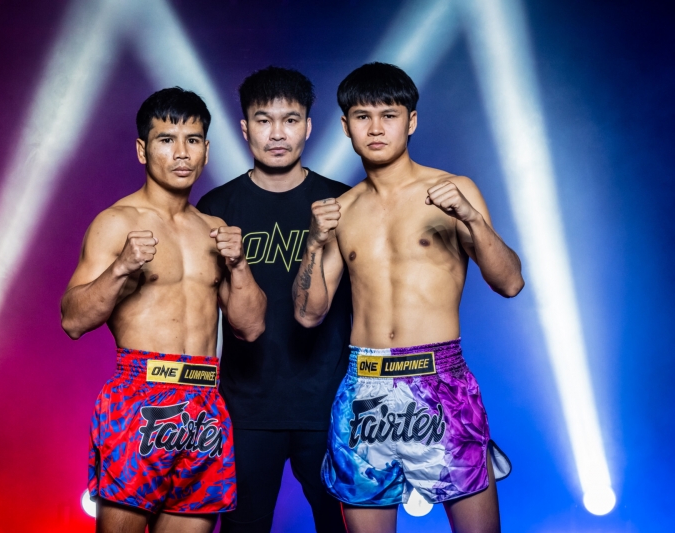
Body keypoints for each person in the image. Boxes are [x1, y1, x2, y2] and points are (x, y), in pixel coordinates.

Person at [292, 62, 524, 533]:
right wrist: (313, 243)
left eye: (389, 115)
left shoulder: (453, 190)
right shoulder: (343, 209)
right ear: (346, 126)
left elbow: (510, 283)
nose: (376, 128)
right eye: (363, 116)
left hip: (440, 383)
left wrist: (471, 219)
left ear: (411, 121)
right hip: (366, 388)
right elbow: (308, 314)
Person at [61, 87, 267, 533]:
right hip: (139, 395)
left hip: (205, 400)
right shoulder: (116, 222)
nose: (181, 153)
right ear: (143, 150)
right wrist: (121, 267)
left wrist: (239, 264)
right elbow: (73, 320)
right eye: (166, 140)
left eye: (192, 140)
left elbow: (250, 328)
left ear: (206, 150)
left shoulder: (215, 230)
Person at [196, 66, 350, 533]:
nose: (277, 134)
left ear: (308, 126)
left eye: (290, 119)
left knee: (342, 526)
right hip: (246, 408)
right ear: (245, 129)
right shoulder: (215, 209)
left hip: (329, 404)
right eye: (264, 121)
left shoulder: (342, 202)